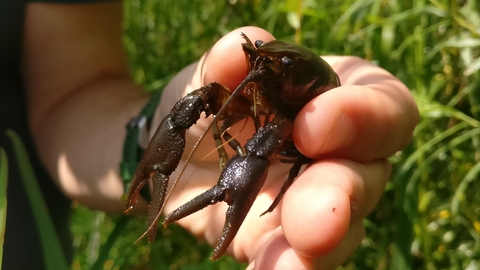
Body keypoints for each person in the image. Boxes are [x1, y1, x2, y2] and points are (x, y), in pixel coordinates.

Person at [0, 1, 419, 269]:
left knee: (304, 137)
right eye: (255, 62)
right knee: (204, 98)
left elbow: (72, 94)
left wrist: (142, 136)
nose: (257, 70)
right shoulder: (259, 81)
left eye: (274, 68)